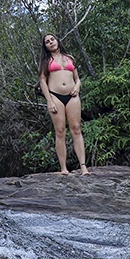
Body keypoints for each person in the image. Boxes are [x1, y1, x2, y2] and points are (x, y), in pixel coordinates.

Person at [37, 33, 90, 176]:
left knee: (76, 129)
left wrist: (77, 86)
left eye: (52, 39)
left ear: (57, 40)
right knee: (60, 131)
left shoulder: (70, 58)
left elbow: (77, 78)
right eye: (47, 42)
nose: (51, 42)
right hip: (55, 96)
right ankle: (63, 168)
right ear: (46, 46)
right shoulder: (45, 61)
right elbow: (42, 81)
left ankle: (83, 167)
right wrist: (49, 100)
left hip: (72, 96)